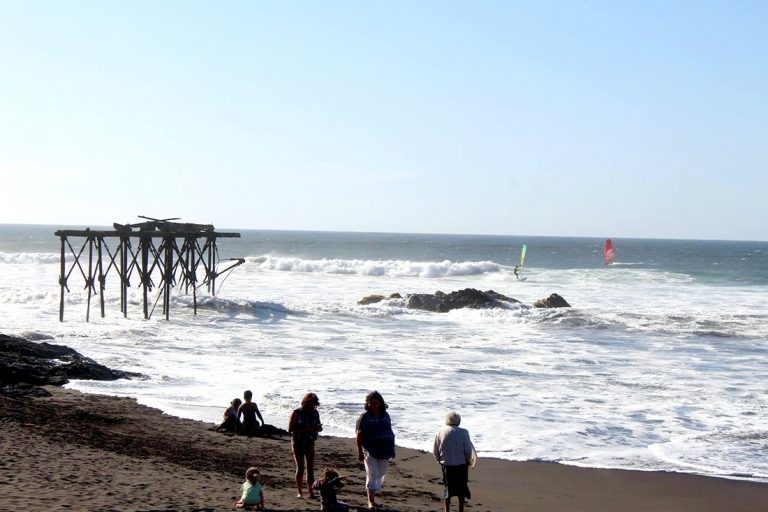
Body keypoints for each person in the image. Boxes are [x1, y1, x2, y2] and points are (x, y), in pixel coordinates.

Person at [355, 391, 395, 510]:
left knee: (381, 473)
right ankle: (370, 501)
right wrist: (360, 451)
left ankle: (372, 497)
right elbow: (358, 435)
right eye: (370, 403)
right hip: (369, 450)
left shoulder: (385, 415)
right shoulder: (365, 417)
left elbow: (390, 432)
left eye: (375, 403)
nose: (373, 405)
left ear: (380, 403)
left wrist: (392, 449)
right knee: (372, 475)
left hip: (385, 450)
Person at [433, 411, 477, 512]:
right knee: (462, 488)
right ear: (458, 421)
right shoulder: (464, 432)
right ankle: (461, 509)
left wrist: (438, 459)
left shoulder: (440, 432)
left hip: (447, 464)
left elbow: (435, 449)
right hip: (461, 464)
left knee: (448, 488)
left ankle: (446, 510)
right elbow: (468, 450)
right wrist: (470, 460)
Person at [288, 392, 323, 498]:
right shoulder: (296, 413)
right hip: (298, 442)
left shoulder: (315, 413)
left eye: (314, 406)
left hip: (310, 442)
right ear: (304, 403)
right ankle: (300, 492)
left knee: (310, 468)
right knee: (300, 467)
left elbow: (318, 426)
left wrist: (319, 428)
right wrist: (307, 429)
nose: (312, 408)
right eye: (310, 405)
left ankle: (311, 491)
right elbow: (290, 429)